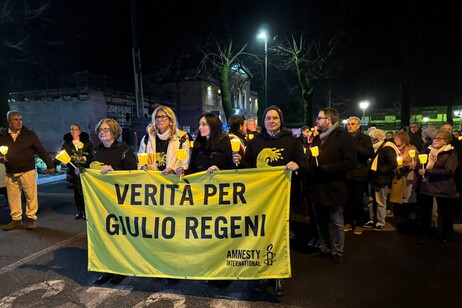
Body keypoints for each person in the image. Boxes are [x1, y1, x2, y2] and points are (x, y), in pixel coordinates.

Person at [238, 105, 308, 296]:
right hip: (260, 199)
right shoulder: (255, 142)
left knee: (280, 237)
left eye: (275, 118)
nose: (271, 121)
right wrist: (238, 161)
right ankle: (263, 273)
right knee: (262, 237)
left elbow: (305, 164)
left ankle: (279, 277)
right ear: (264, 121)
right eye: (268, 118)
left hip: (283, 200)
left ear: (280, 121)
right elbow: (248, 168)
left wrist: (297, 165)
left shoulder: (292, 142)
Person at [90, 118, 137, 286]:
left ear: (115, 132)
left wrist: (115, 170)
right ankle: (106, 269)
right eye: (100, 130)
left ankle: (120, 269)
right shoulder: (95, 152)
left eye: (106, 129)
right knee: (103, 237)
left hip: (119, 203)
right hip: (100, 204)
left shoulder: (123, 151)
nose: (102, 132)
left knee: (119, 237)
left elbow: (133, 173)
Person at [308, 107, 356, 267]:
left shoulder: (343, 138)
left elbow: (350, 162)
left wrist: (329, 168)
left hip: (334, 186)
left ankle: (337, 252)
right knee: (320, 220)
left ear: (329, 120)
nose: (316, 121)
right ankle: (325, 247)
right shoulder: (318, 138)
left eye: (319, 118)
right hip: (317, 186)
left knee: (336, 222)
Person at [0, 110, 55, 231]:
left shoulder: (29, 134)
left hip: (27, 170)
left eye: (20, 119)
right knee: (13, 197)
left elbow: (40, 150)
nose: (19, 122)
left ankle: (31, 218)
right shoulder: (2, 135)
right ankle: (16, 220)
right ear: (9, 121)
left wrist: (50, 165)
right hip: (10, 171)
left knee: (30, 196)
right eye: (15, 120)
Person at [415, 129, 459, 245]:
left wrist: (427, 172)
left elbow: (449, 170)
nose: (436, 141)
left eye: (440, 138)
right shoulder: (427, 150)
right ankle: (424, 234)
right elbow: (420, 164)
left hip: (443, 187)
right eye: (435, 138)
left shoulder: (450, 152)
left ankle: (446, 236)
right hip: (426, 186)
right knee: (425, 212)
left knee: (445, 213)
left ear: (446, 141)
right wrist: (418, 170)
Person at [55, 124, 93, 220]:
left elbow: (93, 154)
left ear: (79, 131)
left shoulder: (86, 142)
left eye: (76, 129)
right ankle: (79, 211)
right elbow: (60, 155)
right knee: (76, 192)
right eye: (72, 129)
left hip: (85, 171)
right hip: (73, 172)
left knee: (84, 192)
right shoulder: (66, 143)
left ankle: (86, 211)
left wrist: (86, 158)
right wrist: (52, 165)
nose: (74, 131)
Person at [138, 105, 190, 176]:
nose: (159, 120)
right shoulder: (147, 139)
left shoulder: (181, 138)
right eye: (157, 117)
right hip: (153, 182)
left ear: (171, 121)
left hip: (172, 182)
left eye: (163, 117)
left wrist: (174, 171)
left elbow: (185, 163)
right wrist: (141, 168)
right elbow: (140, 161)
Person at [344, 116, 374, 235]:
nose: (350, 126)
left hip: (359, 173)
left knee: (358, 200)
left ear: (358, 126)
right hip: (347, 173)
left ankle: (359, 223)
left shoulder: (365, 138)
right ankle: (348, 221)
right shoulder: (344, 138)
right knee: (347, 200)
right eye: (348, 124)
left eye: (352, 124)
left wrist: (353, 144)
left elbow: (369, 153)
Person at [364, 129, 398, 231]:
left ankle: (380, 222)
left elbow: (393, 164)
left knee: (380, 201)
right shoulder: (376, 148)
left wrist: (379, 170)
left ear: (376, 139)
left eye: (371, 138)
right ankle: (372, 219)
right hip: (373, 177)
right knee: (371, 200)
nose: (369, 140)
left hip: (381, 178)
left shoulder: (387, 148)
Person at [388, 131, 418, 218]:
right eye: (395, 139)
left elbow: (414, 162)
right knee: (396, 195)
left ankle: (409, 213)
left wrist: (406, 166)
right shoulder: (394, 149)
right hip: (397, 175)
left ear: (403, 140)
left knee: (408, 195)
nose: (395, 140)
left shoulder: (411, 149)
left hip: (408, 176)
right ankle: (397, 211)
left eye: (397, 139)